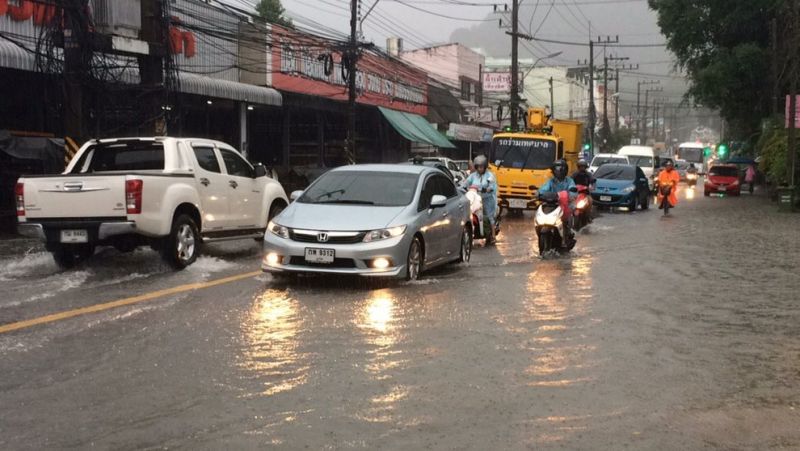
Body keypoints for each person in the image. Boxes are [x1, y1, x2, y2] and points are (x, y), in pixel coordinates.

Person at [464, 155, 498, 245]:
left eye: (481, 167)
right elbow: (466, 183)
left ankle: (493, 236)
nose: (480, 169)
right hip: (475, 199)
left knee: (489, 217)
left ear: (485, 167)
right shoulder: (473, 176)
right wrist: (462, 187)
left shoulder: (490, 175)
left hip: (487, 200)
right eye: (478, 167)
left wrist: (488, 189)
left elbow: (492, 186)